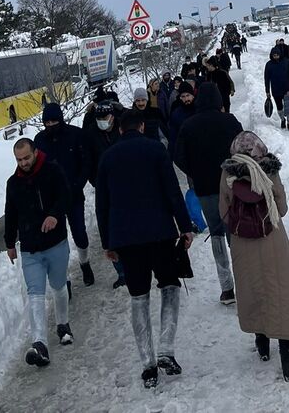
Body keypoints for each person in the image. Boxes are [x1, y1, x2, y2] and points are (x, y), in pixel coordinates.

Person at [95, 110, 196, 388]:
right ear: (141, 127)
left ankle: (148, 365)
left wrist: (108, 242)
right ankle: (166, 348)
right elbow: (172, 191)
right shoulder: (155, 150)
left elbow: (101, 205)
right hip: (160, 233)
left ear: (118, 130)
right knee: (169, 286)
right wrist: (185, 226)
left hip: (126, 239)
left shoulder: (108, 158)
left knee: (138, 297)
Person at [219, 131, 289, 381]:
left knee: (252, 288)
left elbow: (224, 210)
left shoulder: (228, 173)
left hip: (243, 241)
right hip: (272, 237)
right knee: (280, 291)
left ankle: (262, 345)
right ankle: (287, 359)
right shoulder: (269, 169)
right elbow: (282, 208)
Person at [4, 138, 73, 367]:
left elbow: (65, 196)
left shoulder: (52, 171)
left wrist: (54, 215)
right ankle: (39, 344)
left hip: (55, 243)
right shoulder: (13, 183)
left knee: (59, 286)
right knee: (35, 293)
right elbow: (11, 213)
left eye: (26, 157)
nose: (23, 163)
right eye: (19, 160)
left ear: (35, 153)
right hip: (31, 248)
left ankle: (63, 324)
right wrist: (10, 243)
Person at [174, 83, 242, 304]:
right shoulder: (230, 121)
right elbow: (243, 149)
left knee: (216, 233)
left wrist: (195, 171)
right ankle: (243, 281)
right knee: (235, 232)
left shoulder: (188, 126)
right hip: (231, 185)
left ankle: (226, 288)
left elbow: (178, 156)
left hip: (205, 189)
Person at [34, 103, 94, 286]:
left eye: (54, 121)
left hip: (74, 195)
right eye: (47, 122)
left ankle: (85, 263)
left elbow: (86, 163)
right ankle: (64, 279)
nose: (51, 125)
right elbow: (36, 168)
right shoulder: (40, 140)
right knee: (58, 243)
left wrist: (78, 184)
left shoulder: (76, 135)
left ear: (61, 119)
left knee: (80, 234)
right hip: (52, 201)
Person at [84, 101, 128, 288]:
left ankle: (137, 263)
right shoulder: (91, 134)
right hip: (104, 189)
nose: (103, 121)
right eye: (99, 118)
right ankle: (121, 271)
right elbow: (89, 162)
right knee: (110, 230)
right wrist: (98, 182)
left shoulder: (122, 129)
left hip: (126, 185)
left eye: (106, 117)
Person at [264, 48, 289, 130]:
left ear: (280, 54)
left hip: (287, 88)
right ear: (271, 55)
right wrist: (267, 91)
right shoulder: (269, 65)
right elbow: (267, 79)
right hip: (276, 89)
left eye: (277, 55)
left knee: (288, 107)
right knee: (279, 107)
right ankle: (282, 119)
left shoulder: (287, 62)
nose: (276, 57)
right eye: (274, 55)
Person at [167, 81, 196, 156]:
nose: (186, 99)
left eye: (188, 95)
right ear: (180, 98)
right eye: (183, 96)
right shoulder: (176, 114)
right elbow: (173, 138)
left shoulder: (199, 110)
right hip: (184, 152)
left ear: (192, 95)